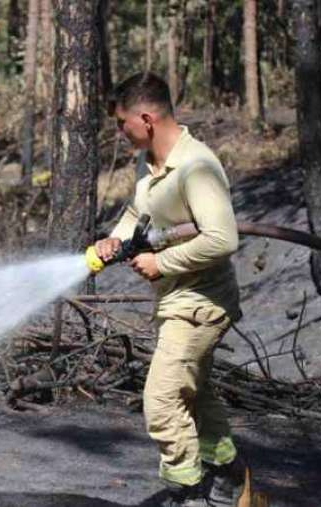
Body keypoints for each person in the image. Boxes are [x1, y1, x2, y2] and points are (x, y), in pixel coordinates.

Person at [95, 73, 245, 506]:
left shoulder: (196, 165)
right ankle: (229, 475)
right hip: (178, 300)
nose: (120, 132)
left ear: (145, 118)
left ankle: (190, 493)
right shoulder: (153, 167)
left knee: (162, 401)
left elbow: (222, 238)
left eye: (122, 123)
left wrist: (162, 263)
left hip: (201, 303)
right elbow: (136, 212)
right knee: (194, 393)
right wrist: (115, 241)